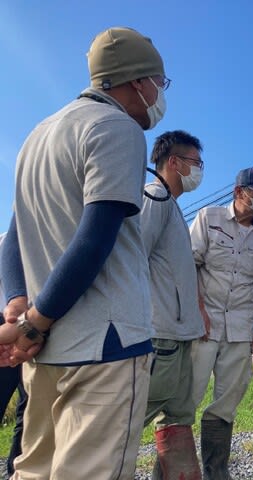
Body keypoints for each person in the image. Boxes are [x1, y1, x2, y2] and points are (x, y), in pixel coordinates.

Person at [0, 27, 167, 479]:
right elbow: (95, 238)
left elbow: (15, 233)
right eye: (160, 83)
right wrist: (35, 322)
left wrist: (17, 302)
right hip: (106, 344)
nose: (159, 94)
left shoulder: (38, 136)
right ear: (138, 81)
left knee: (33, 467)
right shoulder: (117, 128)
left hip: (46, 350)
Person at [190, 167, 253, 480]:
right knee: (185, 398)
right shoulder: (209, 218)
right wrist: (196, 308)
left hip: (241, 327)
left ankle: (217, 471)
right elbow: (189, 264)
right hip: (202, 324)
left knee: (228, 400)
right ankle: (174, 469)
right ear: (238, 192)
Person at [141, 130, 206, 480]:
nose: (199, 170)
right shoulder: (154, 197)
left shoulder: (172, 204)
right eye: (196, 163)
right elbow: (134, 257)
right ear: (174, 162)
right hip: (160, 333)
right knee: (133, 417)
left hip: (180, 335)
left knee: (179, 417)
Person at [0, 232, 26, 478]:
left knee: (28, 409)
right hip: (6, 324)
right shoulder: (8, 241)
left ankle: (15, 471)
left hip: (35, 325)